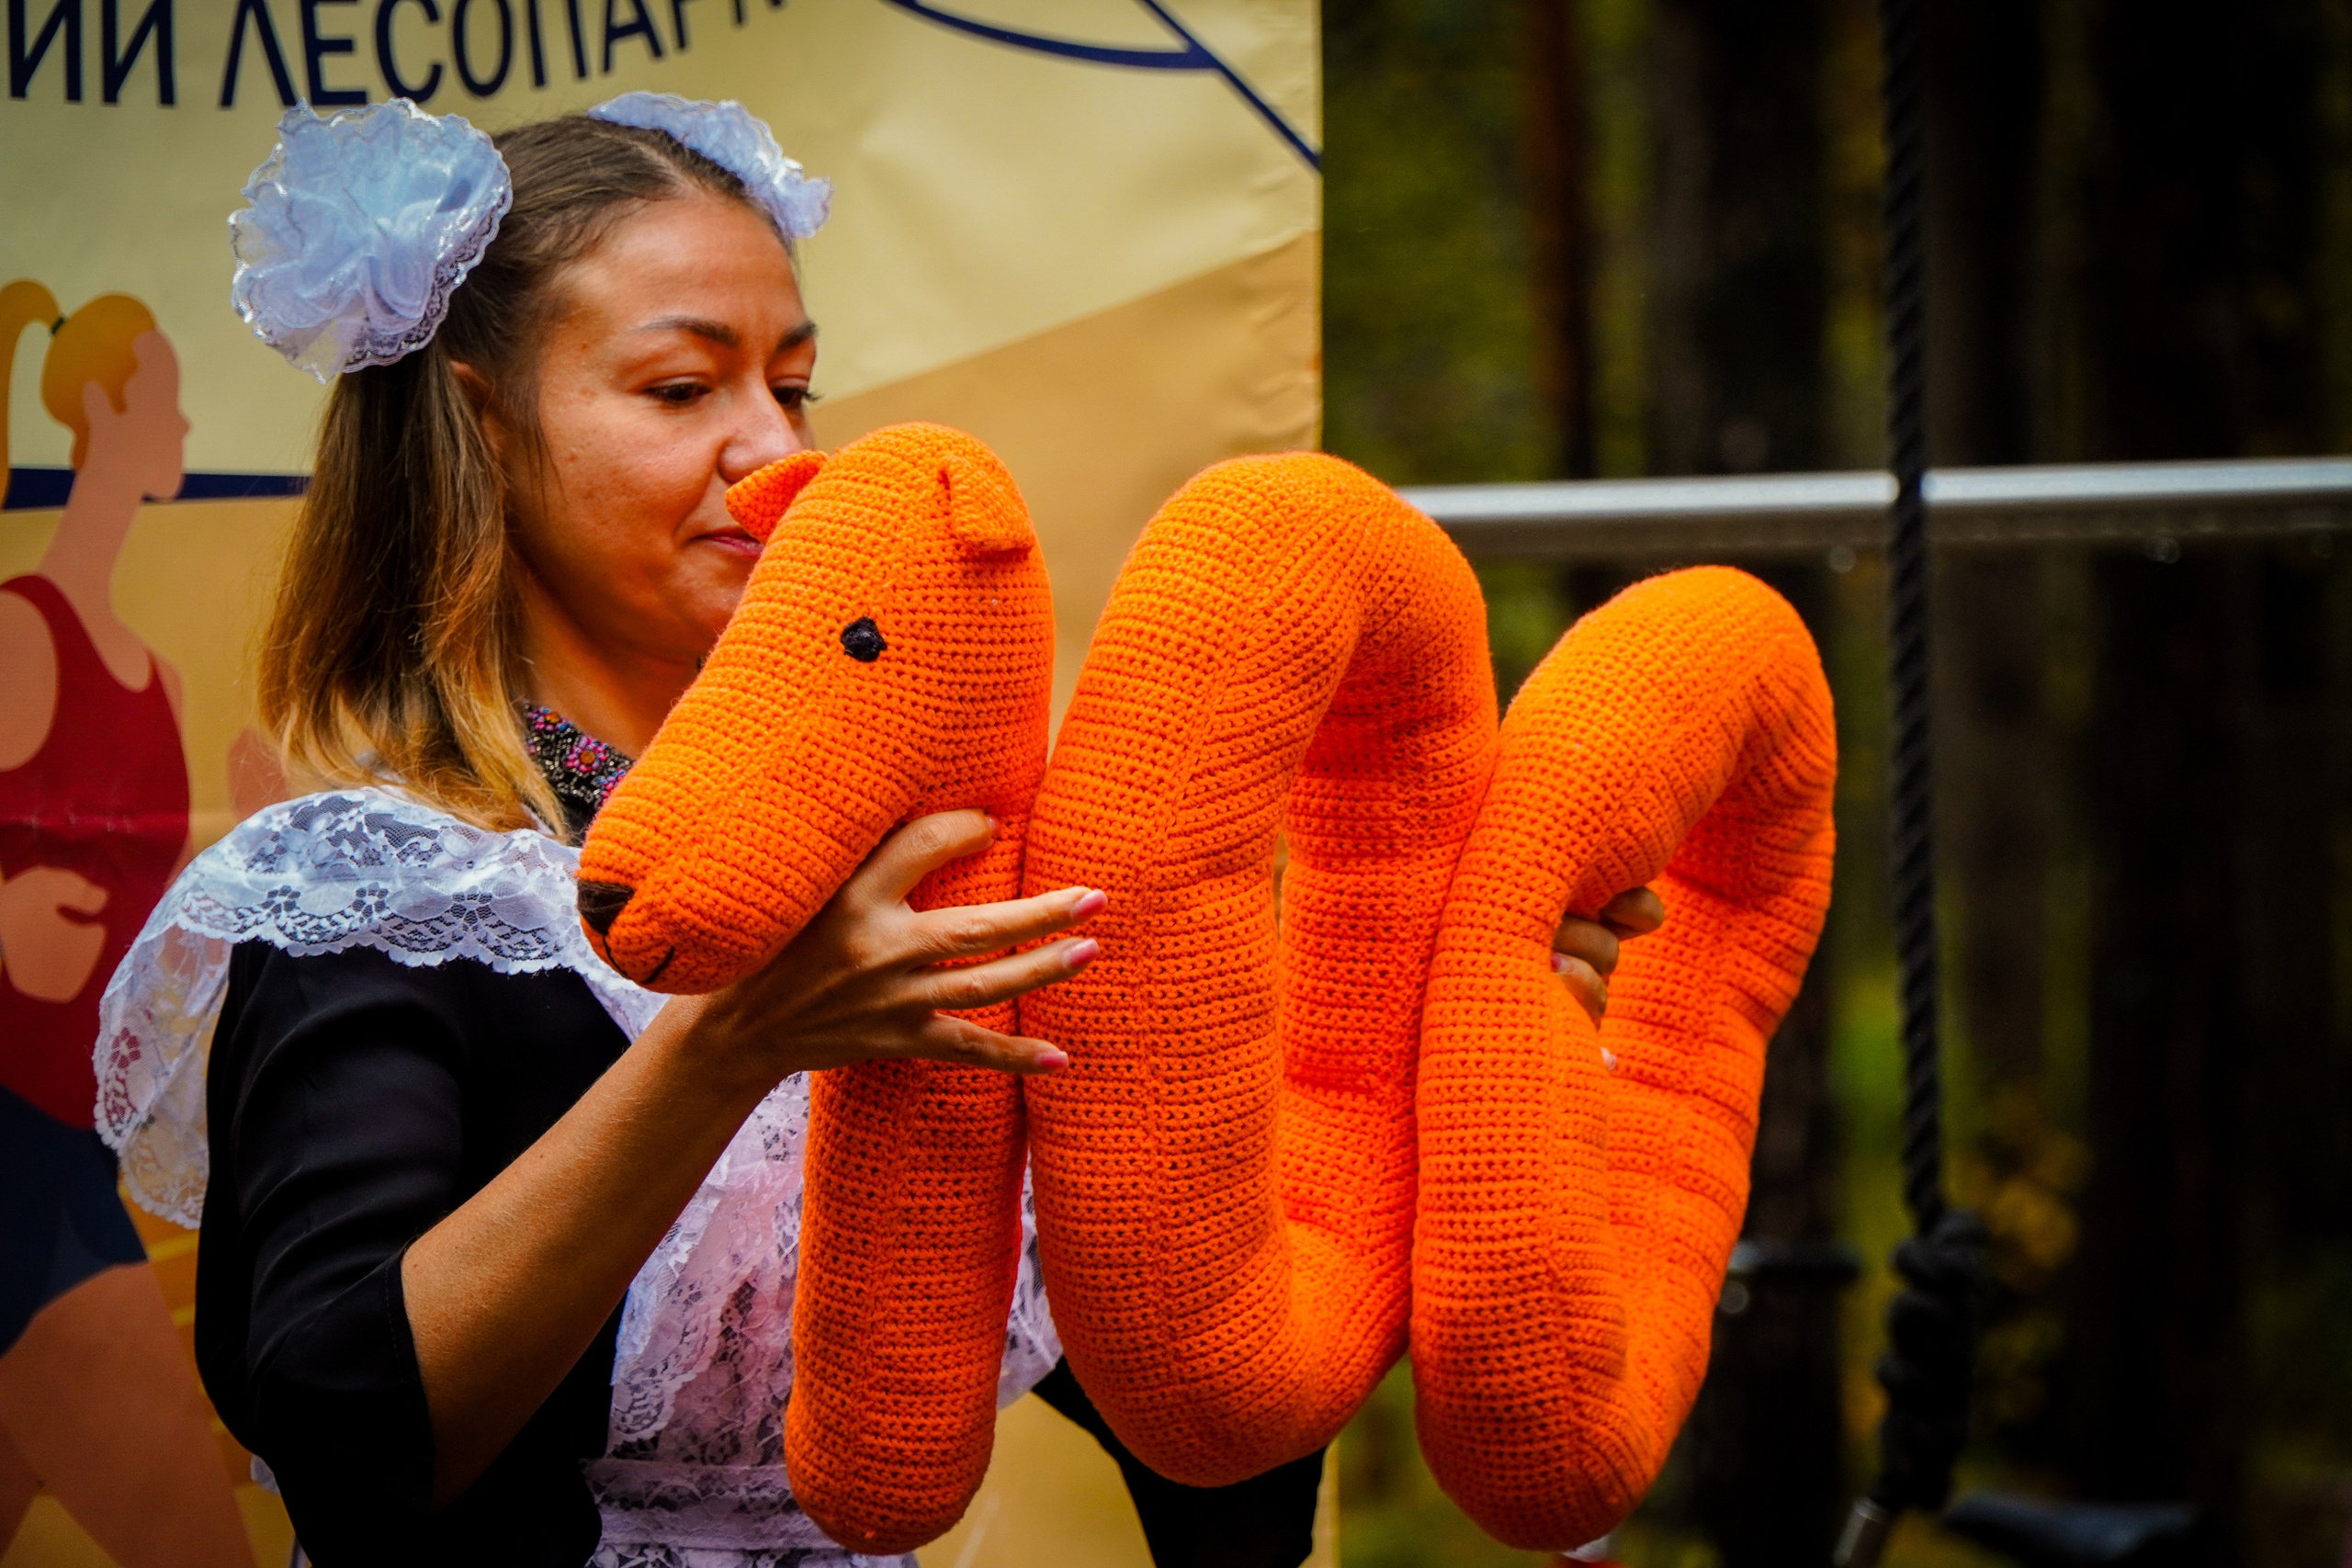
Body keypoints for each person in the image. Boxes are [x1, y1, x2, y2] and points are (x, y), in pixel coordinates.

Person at [96, 96, 1659, 1568]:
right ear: (482, 424)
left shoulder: (927, 865)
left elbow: (1212, 1462)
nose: (774, 452)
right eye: (682, 388)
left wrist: (1449, 1034)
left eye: (794, 387)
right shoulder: (389, 887)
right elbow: (344, 1443)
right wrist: (729, 1046)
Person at [0, 282, 253, 1567]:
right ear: (100, 411)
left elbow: (161, 950)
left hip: (76, 1141)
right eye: (163, 401)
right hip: (18, 1168)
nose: (185, 426)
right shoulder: (18, 636)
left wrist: (257, 855)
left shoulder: (158, 680)